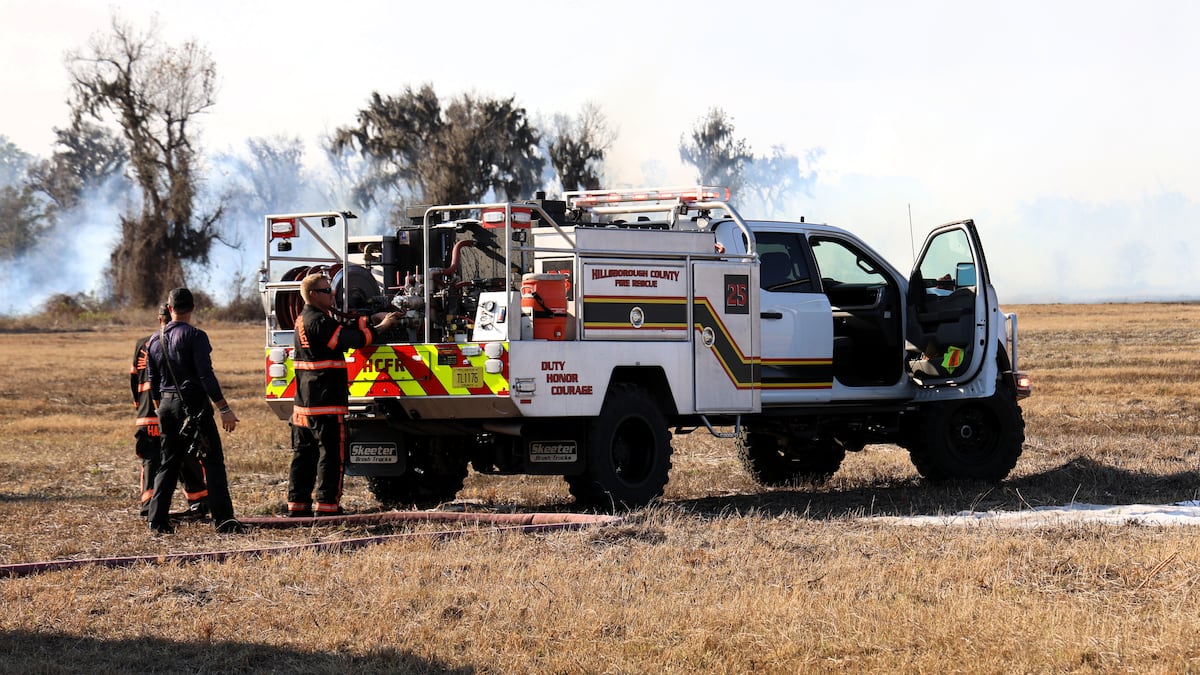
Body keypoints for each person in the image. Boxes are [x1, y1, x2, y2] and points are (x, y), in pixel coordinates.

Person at [287, 273, 402, 517]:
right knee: (331, 455)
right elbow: (353, 340)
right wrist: (382, 327)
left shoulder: (305, 319)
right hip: (325, 401)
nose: (333, 293)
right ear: (313, 295)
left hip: (304, 404)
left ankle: (297, 506)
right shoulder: (318, 321)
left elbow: (342, 327)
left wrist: (371, 317)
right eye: (327, 290)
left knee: (303, 455)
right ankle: (328, 507)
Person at [145, 288, 244, 534]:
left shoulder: (154, 339)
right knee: (212, 462)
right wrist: (224, 408)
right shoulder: (196, 336)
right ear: (193, 308)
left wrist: (161, 411)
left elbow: (152, 382)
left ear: (170, 308)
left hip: (166, 406)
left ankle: (157, 521)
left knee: (168, 462)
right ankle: (224, 520)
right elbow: (205, 376)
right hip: (193, 406)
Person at [130, 303, 210, 520]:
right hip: (174, 412)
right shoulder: (182, 340)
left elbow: (134, 381)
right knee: (187, 457)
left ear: (159, 319)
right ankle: (199, 502)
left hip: (148, 415)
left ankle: (150, 506)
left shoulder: (143, 344)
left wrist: (141, 410)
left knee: (152, 462)